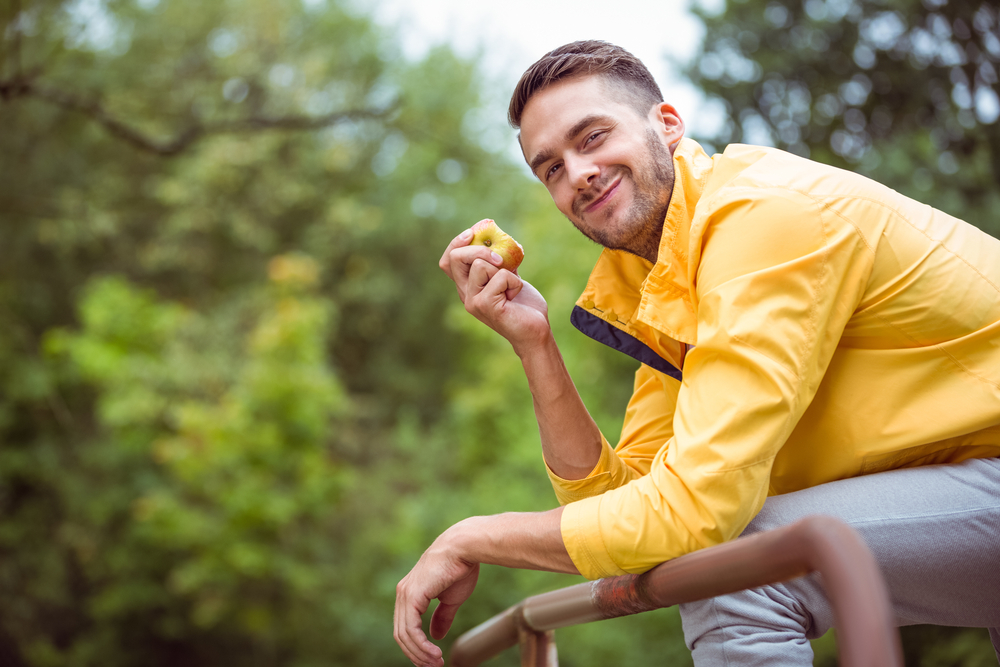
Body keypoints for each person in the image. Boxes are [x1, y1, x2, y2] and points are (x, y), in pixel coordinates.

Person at [393, 40, 1000, 667]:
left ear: (668, 125)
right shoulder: (669, 282)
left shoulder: (763, 219)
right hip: (976, 489)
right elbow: (623, 519)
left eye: (594, 137)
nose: (578, 173)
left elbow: (693, 510)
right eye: (551, 168)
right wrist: (535, 344)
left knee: (737, 569)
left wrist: (473, 538)